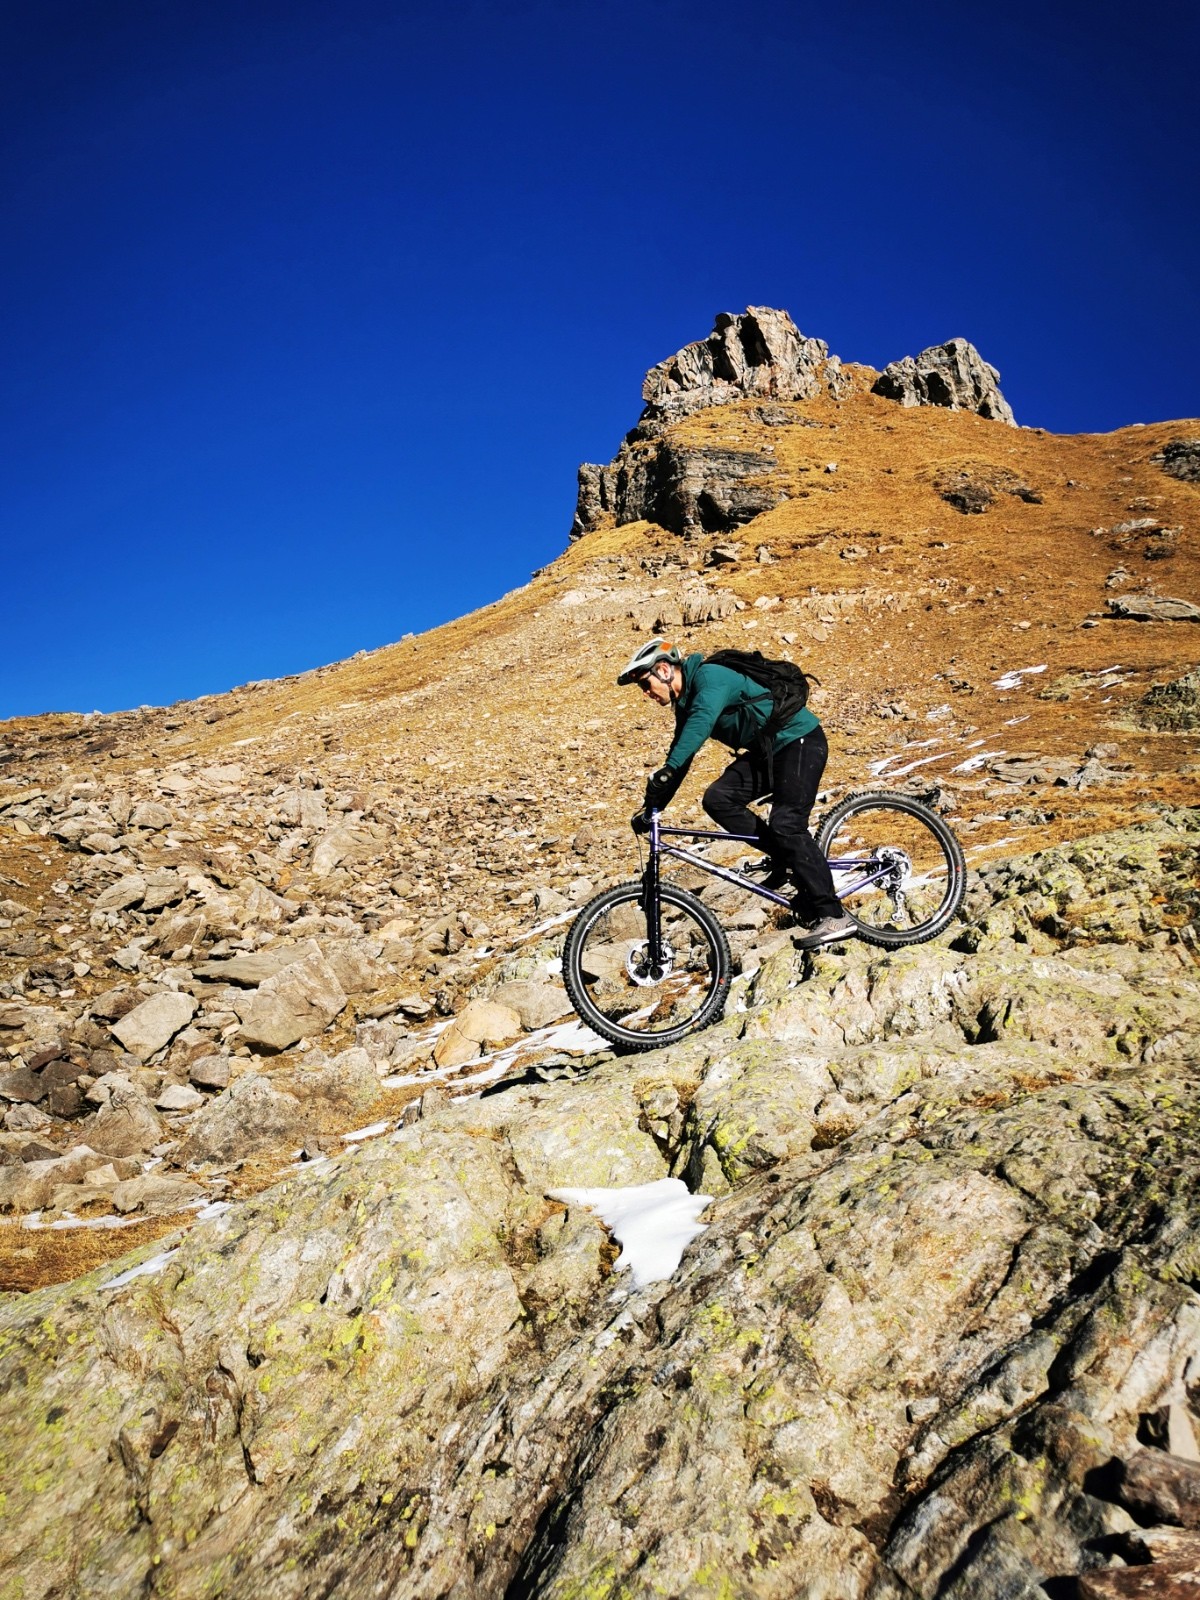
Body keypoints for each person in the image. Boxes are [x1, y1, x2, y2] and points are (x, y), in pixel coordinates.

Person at [617, 637, 856, 950]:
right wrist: (652, 807)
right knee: (718, 798)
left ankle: (833, 914)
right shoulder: (686, 703)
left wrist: (667, 770)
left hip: (799, 740)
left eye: (646, 686)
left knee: (786, 824)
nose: (647, 694)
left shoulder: (709, 678)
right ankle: (787, 862)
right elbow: (682, 755)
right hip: (770, 753)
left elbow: (700, 725)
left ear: (663, 670)